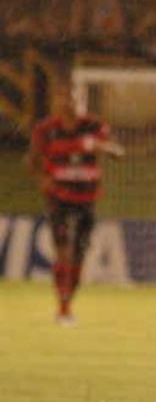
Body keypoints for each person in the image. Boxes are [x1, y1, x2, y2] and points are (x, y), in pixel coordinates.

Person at [29, 84, 126, 325]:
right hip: (58, 198)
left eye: (72, 99)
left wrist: (97, 145)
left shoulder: (93, 126)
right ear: (55, 102)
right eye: (62, 99)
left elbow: (118, 151)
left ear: (80, 101)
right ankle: (63, 307)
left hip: (86, 199)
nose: (67, 104)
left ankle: (68, 300)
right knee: (62, 252)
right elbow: (33, 159)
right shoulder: (46, 130)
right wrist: (43, 180)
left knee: (80, 255)